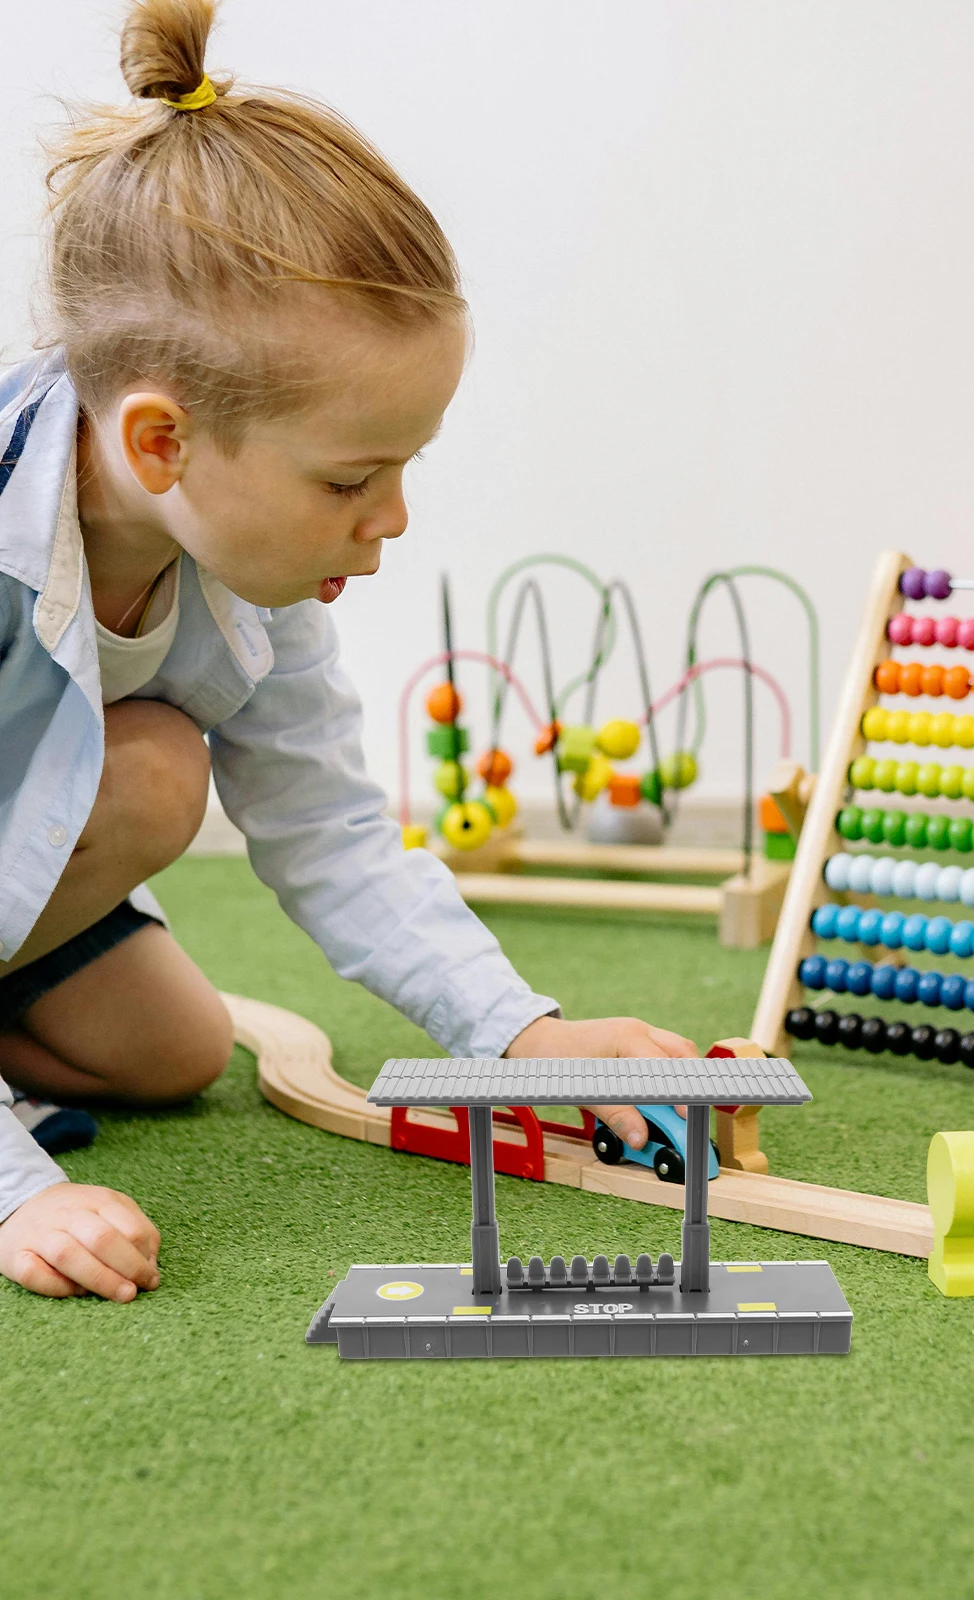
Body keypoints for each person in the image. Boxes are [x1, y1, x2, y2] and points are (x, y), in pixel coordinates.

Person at [0, 0, 695, 1304]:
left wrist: (518, 1034)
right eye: (352, 478)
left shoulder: (250, 576)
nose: (391, 519)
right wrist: (22, 1202)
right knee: (151, 783)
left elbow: (332, 830)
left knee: (176, 1048)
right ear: (162, 445)